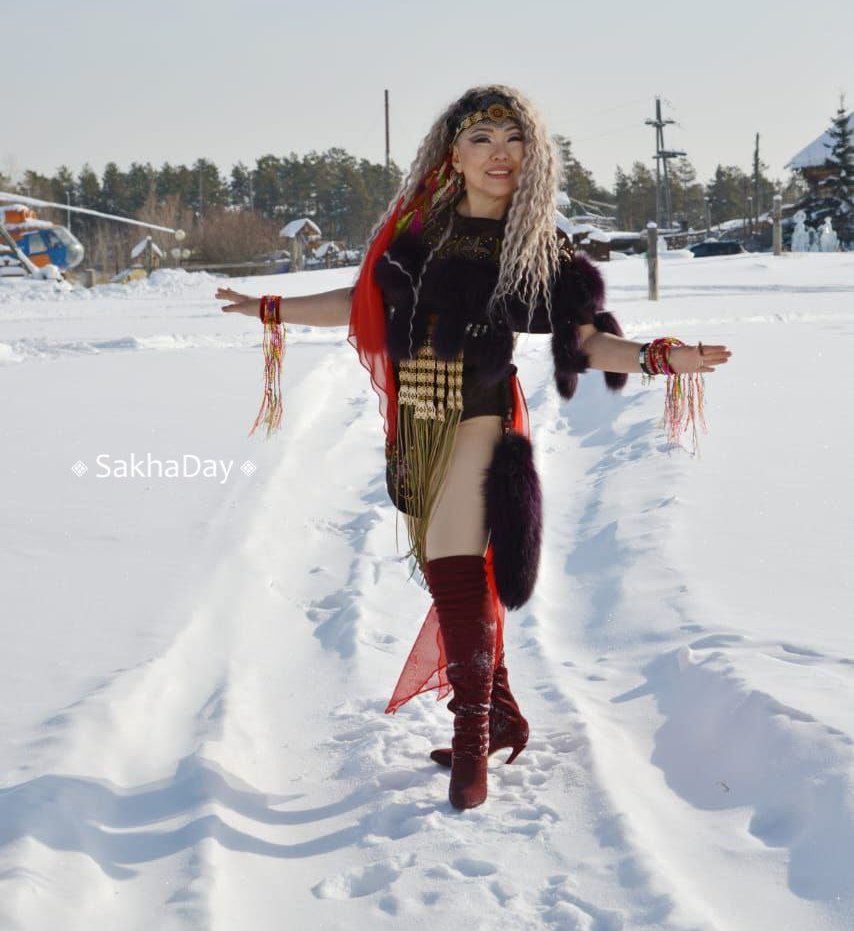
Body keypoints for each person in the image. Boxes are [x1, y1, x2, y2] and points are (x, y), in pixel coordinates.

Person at [217, 84, 732, 812]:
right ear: (452, 154)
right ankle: (505, 713)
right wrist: (273, 308)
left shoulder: (536, 248)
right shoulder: (416, 230)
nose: (501, 154)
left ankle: (471, 742)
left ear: (534, 156)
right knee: (446, 572)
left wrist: (657, 358)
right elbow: (360, 303)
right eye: (483, 140)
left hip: (481, 413)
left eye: (515, 140)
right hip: (415, 425)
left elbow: (583, 342)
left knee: (458, 572)